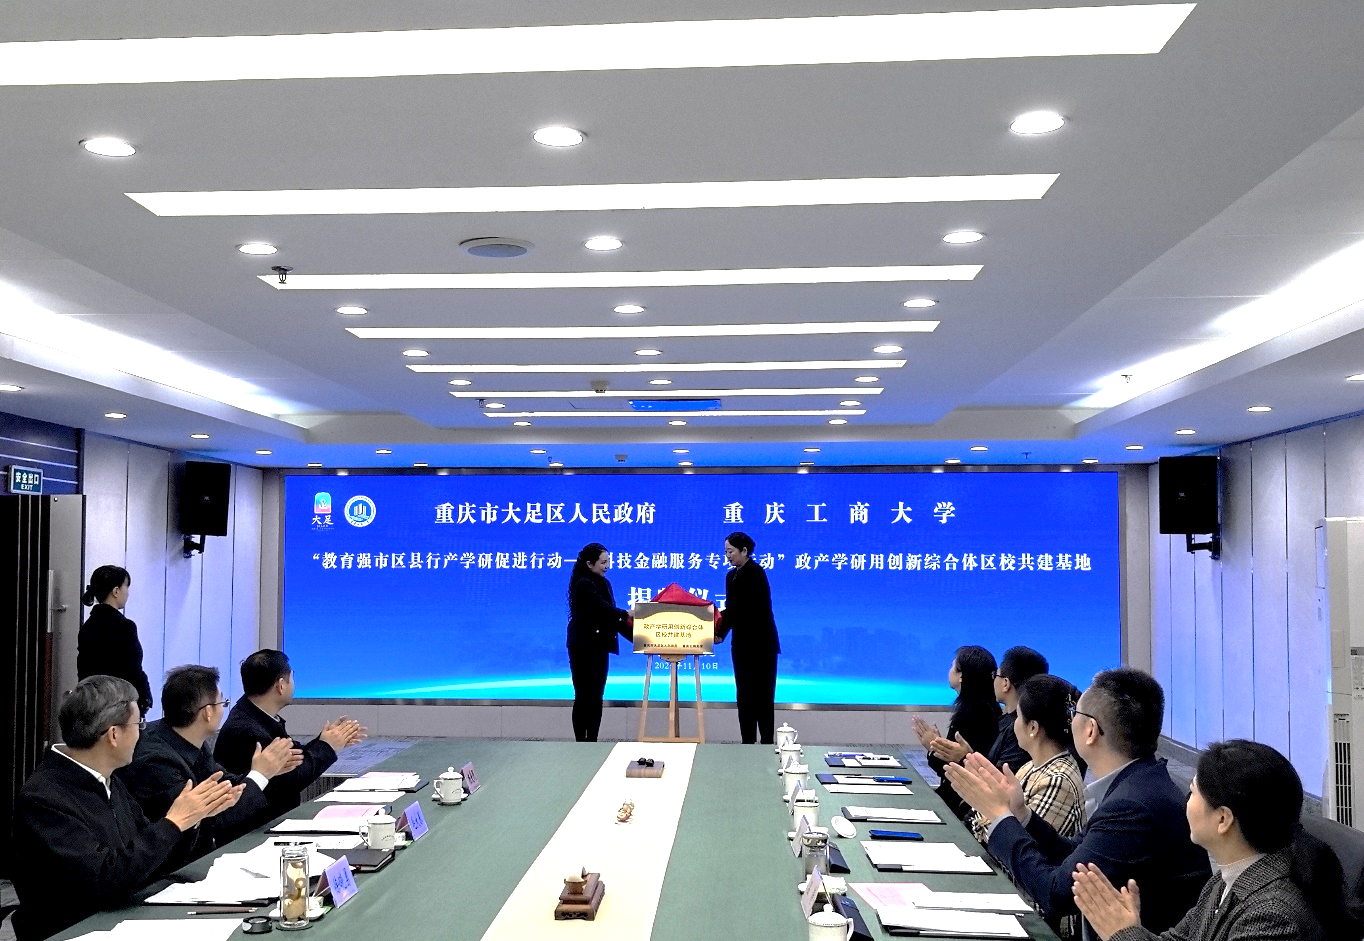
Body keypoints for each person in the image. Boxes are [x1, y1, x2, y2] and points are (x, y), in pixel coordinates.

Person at [944, 667, 1210, 935]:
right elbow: (1074, 853)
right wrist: (1020, 813)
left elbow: (1054, 893)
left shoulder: (1133, 805)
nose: (1069, 723)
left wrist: (1001, 818)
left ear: (1091, 730)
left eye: (1074, 714)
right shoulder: (1137, 783)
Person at [10, 676, 242, 941]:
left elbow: (150, 858)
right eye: (138, 724)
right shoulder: (44, 799)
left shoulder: (108, 779)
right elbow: (102, 879)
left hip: (123, 916)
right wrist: (173, 823)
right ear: (113, 734)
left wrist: (192, 819)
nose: (142, 733)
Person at [1073, 739, 1354, 941]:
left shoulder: (1272, 914)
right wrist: (1129, 929)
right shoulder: (1225, 880)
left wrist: (1123, 934)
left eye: (1193, 793)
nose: (1186, 801)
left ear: (1223, 819)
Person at [117, 665, 304, 854]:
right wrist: (260, 774)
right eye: (222, 703)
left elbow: (224, 785)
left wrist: (265, 771)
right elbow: (211, 820)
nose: (223, 710)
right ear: (207, 712)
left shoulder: (189, 739)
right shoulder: (156, 762)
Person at [213, 649, 366, 823]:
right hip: (255, 827)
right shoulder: (245, 730)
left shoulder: (254, 716)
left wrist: (326, 740)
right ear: (280, 686)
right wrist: (327, 746)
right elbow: (289, 780)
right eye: (291, 678)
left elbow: (295, 757)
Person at [968, 675, 1085, 847]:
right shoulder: (1031, 766)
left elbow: (1021, 846)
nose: (1014, 723)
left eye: (1018, 716)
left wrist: (987, 810)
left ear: (1033, 727)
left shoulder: (1057, 781)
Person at [912, 645, 1000, 817]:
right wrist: (940, 746)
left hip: (960, 807)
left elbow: (953, 770)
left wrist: (934, 748)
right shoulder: (981, 708)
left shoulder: (975, 714)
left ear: (962, 676)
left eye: (953, 666)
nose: (949, 671)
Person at [929, 646, 1049, 773]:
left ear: (1006, 684)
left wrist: (966, 758)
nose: (993, 680)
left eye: (995, 675)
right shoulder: (1007, 722)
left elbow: (1001, 779)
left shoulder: (1016, 729)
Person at [716, 531, 781, 744]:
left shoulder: (756, 573)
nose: (728, 555)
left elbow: (742, 609)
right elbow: (732, 609)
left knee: (763, 695)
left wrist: (718, 629)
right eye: (726, 551)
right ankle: (747, 743)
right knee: (744, 695)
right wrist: (719, 632)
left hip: (761, 644)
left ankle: (767, 742)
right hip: (742, 644)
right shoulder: (731, 576)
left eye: (731, 551)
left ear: (744, 551)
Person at [565, 543, 633, 742]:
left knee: (596, 696)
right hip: (582, 646)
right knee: (583, 695)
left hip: (600, 645)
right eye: (603, 562)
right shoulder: (583, 584)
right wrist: (627, 613)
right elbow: (604, 610)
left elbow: (613, 619)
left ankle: (592, 741)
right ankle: (581, 742)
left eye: (608, 562)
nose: (607, 566)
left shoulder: (605, 583)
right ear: (589, 564)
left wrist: (640, 639)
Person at [77, 565, 153, 714]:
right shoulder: (125, 626)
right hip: (120, 704)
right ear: (116, 591)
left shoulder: (87, 627)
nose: (128, 593)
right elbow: (133, 669)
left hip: (92, 703)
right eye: (126, 587)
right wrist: (145, 699)